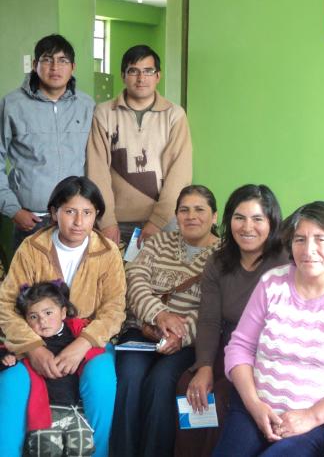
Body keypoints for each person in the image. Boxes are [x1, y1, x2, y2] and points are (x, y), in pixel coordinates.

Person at [213, 201, 324, 457]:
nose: (308, 250)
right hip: (255, 407)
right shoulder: (272, 283)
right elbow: (240, 347)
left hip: (321, 419)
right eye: (299, 239)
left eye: (320, 239)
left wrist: (311, 416)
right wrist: (254, 405)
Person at [0, 176, 126, 457]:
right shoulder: (32, 248)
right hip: (36, 335)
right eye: (70, 211)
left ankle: (98, 453)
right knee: (11, 383)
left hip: (87, 338)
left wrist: (82, 343)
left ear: (96, 215)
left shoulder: (108, 253)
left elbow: (114, 309)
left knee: (102, 379)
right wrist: (33, 347)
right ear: (54, 212)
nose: (79, 221)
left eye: (87, 213)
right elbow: (6, 305)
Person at [110, 185, 221, 457]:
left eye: (199, 210)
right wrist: (159, 315)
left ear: (214, 216)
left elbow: (215, 308)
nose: (191, 216)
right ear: (176, 215)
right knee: (130, 377)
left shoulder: (223, 255)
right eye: (184, 210)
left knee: (161, 383)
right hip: (142, 330)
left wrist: (179, 334)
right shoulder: (159, 242)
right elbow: (134, 280)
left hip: (186, 342)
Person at [176, 184, 286, 456]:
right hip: (227, 346)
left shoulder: (285, 263)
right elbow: (209, 320)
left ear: (272, 222)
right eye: (239, 218)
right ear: (228, 221)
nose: (247, 227)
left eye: (257, 219)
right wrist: (204, 366)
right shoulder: (218, 261)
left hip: (265, 355)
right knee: (188, 386)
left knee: (221, 398)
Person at [87, 44, 192, 247]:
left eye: (148, 71)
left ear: (158, 76)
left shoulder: (174, 115)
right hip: (116, 222)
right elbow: (97, 170)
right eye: (133, 71)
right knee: (114, 268)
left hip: (165, 220)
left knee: (164, 268)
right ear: (123, 76)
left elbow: (180, 172)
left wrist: (157, 221)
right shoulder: (104, 113)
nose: (141, 78)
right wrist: (106, 220)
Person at [0, 34, 95, 250]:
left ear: (73, 67)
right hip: (31, 218)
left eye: (62, 60)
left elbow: (96, 159)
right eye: (47, 60)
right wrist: (13, 209)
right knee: (30, 273)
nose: (55, 67)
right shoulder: (12, 104)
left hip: (76, 217)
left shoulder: (86, 105)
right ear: (35, 65)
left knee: (76, 272)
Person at [2, 281, 103, 457]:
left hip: (75, 409)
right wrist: (7, 360)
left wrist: (82, 351)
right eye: (34, 317)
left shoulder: (76, 334)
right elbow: (7, 350)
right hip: (45, 411)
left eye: (48, 313)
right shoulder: (27, 342)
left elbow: (97, 346)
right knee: (46, 449)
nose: (42, 321)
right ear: (26, 320)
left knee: (82, 447)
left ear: (63, 313)